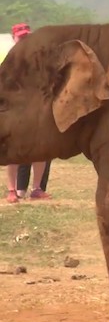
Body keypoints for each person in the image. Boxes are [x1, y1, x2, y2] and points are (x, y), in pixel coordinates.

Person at [5, 23, 51, 203]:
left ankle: (37, 188)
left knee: (41, 150)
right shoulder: (7, 58)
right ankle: (11, 190)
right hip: (14, 109)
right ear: (14, 38)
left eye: (26, 36)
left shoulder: (39, 59)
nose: (24, 40)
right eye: (20, 37)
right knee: (13, 151)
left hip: (36, 109)